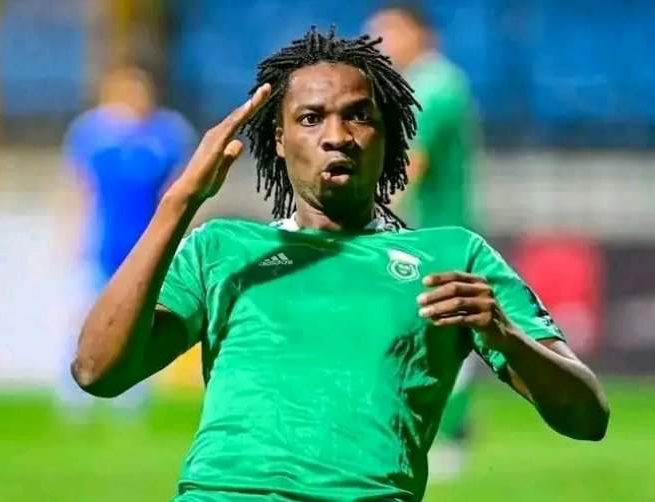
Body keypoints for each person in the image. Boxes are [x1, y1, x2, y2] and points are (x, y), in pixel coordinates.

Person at [71, 28, 609, 501]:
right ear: (279, 140)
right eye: (310, 118)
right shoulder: (222, 250)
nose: (337, 136)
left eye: (359, 116)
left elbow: (588, 417)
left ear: (388, 134)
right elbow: (97, 372)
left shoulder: (453, 258)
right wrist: (179, 203)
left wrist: (505, 334)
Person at [367, 4, 482, 479]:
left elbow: (415, 162)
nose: (380, 44)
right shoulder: (426, 83)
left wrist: (368, 214)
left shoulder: (434, 85)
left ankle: (449, 436)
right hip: (429, 233)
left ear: (418, 33)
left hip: (436, 235)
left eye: (387, 33)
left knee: (441, 332)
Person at [58, 65, 196, 419]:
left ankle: (132, 392)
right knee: (84, 314)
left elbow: (179, 188)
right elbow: (79, 187)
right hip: (102, 242)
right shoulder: (90, 133)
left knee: (141, 318)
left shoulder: (168, 133)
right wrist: (70, 234)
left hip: (145, 243)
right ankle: (74, 389)